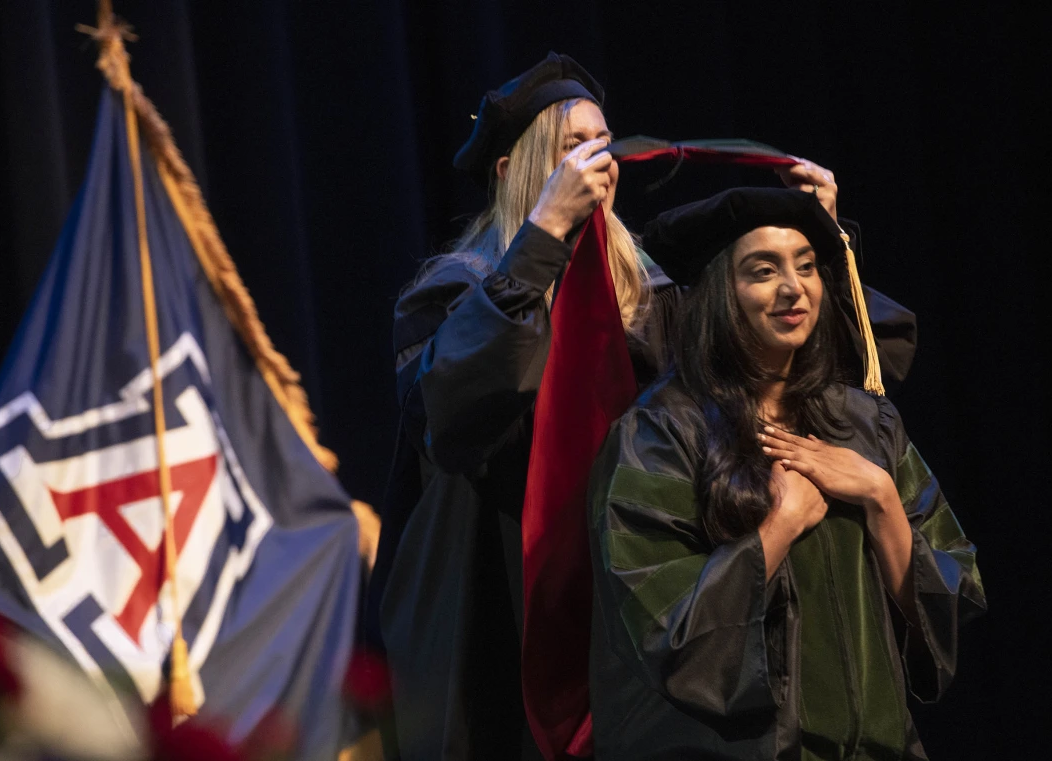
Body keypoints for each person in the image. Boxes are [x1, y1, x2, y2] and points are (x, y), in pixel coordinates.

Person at [369, 52, 918, 761]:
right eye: (573, 146)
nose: (597, 160)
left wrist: (821, 239)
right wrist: (541, 242)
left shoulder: (655, 295)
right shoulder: (451, 293)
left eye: (604, 142)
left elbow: (829, 366)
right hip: (500, 604)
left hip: (638, 595)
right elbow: (452, 412)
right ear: (512, 172)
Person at [587, 186, 986, 760]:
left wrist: (880, 497)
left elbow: (953, 592)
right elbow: (661, 631)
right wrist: (778, 527)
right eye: (763, 270)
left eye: (805, 267)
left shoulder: (865, 422)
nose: (793, 287)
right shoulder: (661, 434)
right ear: (720, 293)